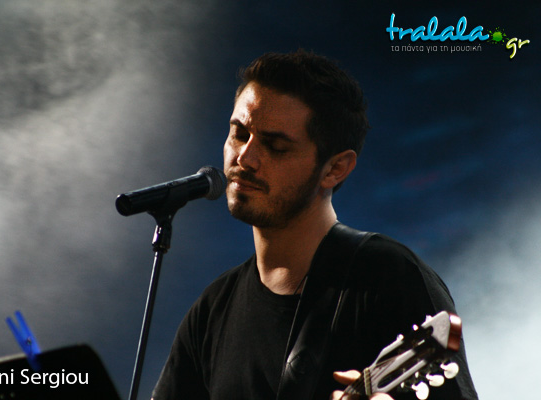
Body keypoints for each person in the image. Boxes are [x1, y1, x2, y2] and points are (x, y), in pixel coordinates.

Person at [152, 50, 478, 400]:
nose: (245, 157)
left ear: (335, 168)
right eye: (239, 133)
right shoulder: (212, 310)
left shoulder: (390, 280)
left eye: (275, 146)